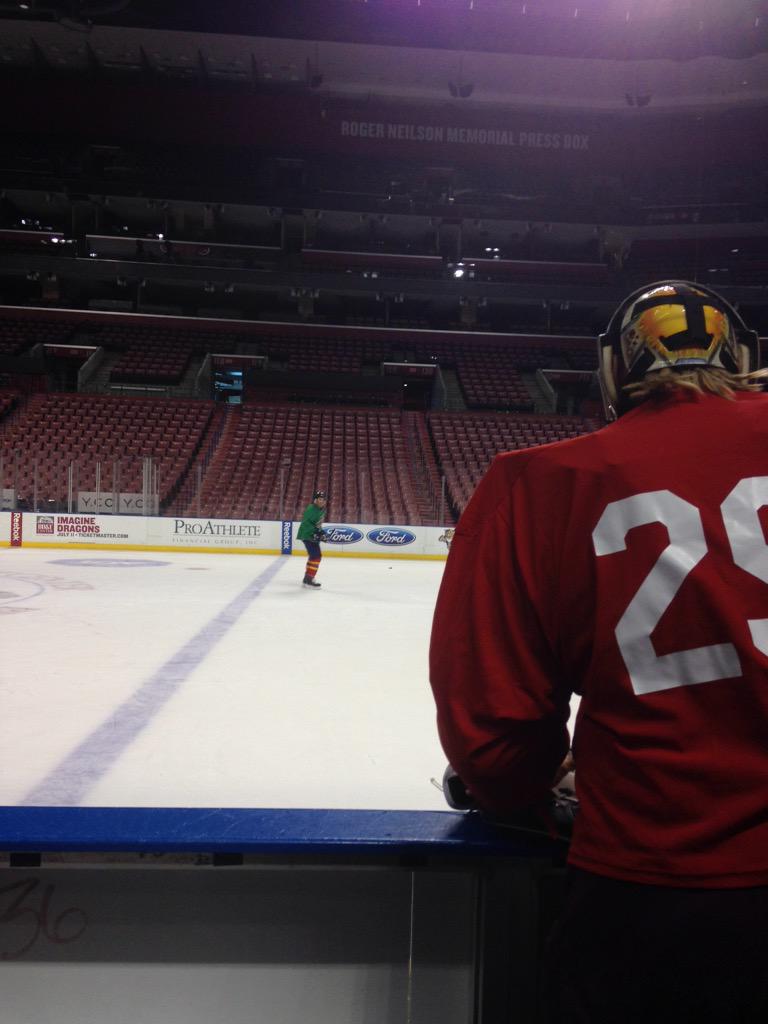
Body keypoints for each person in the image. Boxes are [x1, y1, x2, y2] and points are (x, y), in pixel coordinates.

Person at [429, 281, 768, 1023]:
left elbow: (491, 731)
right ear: (744, 355)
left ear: (616, 369)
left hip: (656, 902)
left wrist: (531, 785)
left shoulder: (539, 483)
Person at [297, 490, 328, 588]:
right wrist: (314, 534)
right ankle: (308, 580)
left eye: (323, 499)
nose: (322, 501)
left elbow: (316, 524)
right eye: (319, 499)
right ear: (315, 500)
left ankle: (307, 578)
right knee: (316, 557)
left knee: (314, 556)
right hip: (307, 535)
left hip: (311, 536)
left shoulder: (320, 509)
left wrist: (321, 533)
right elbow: (306, 524)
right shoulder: (311, 509)